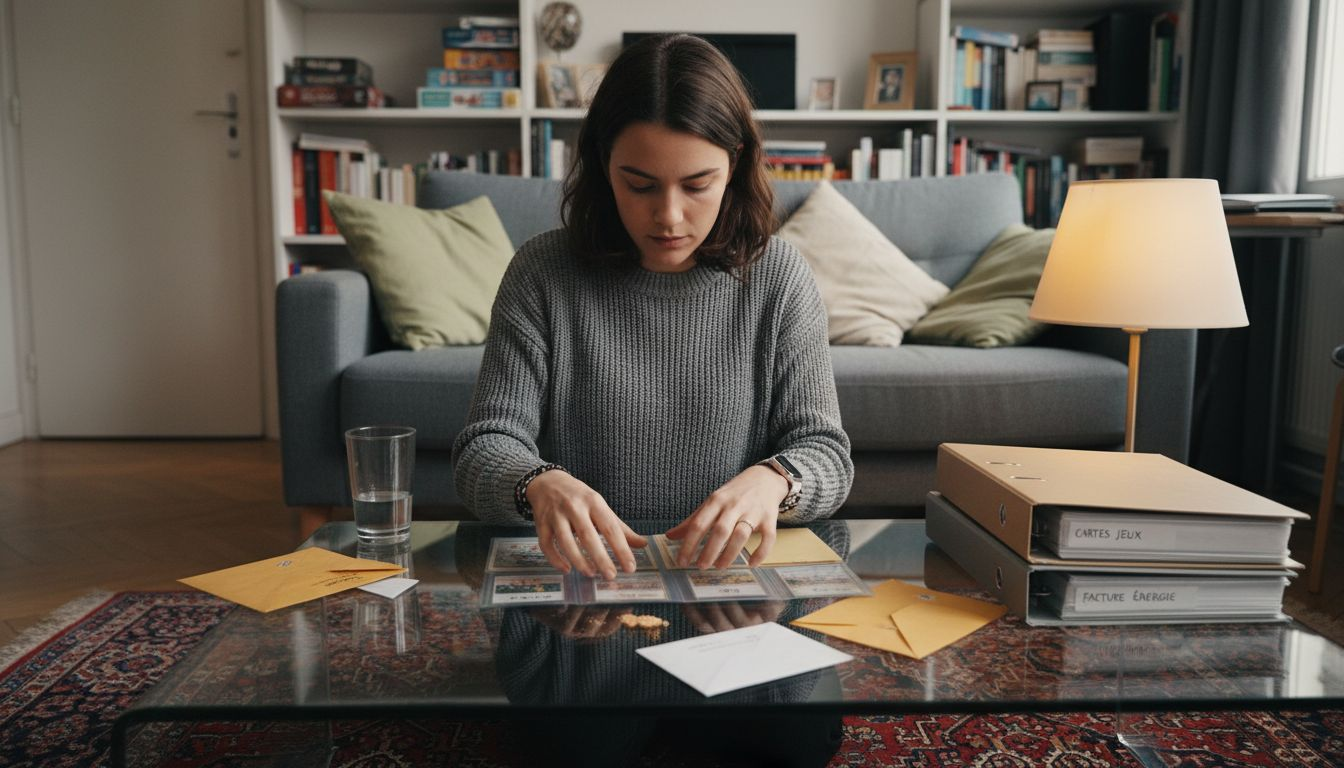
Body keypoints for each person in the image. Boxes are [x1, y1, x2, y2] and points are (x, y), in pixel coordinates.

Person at [453, 31, 851, 580]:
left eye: (697, 185)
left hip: (731, 600)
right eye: (639, 185)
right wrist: (536, 484)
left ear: (733, 166)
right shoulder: (542, 273)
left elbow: (826, 452)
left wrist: (776, 480)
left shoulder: (778, 278)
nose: (668, 216)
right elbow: (484, 445)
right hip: (583, 594)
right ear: (602, 163)